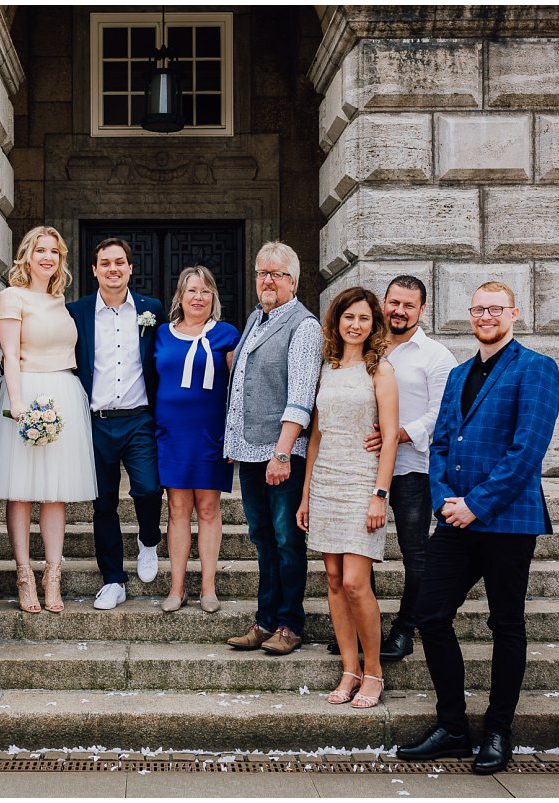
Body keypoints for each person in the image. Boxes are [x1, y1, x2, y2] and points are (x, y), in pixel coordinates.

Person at [396, 281, 559, 775]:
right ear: (470, 315)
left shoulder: (535, 368)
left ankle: (497, 729)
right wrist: (448, 499)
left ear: (513, 313)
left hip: (508, 521)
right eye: (478, 309)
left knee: (506, 625)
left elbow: (527, 450)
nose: (485, 316)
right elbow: (441, 443)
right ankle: (451, 727)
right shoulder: (461, 372)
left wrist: (478, 505)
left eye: (495, 309)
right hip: (455, 518)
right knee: (430, 614)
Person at [298, 287, 399, 708]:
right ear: (336, 321)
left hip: (362, 482)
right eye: (348, 317)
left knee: (357, 583)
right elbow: (315, 436)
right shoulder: (328, 367)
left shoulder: (381, 370)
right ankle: (348, 669)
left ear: (373, 324)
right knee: (335, 582)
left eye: (363, 318)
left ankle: (373, 672)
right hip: (326, 481)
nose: (355, 325)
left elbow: (390, 437)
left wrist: (380, 495)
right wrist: (306, 495)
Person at [0, 226, 98, 614]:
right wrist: (18, 401)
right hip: (25, 392)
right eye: (40, 250)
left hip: (64, 393)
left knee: (55, 493)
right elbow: (9, 354)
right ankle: (24, 574)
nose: (48, 257)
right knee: (21, 491)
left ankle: (53, 574)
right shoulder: (11, 297)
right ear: (26, 255)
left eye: (55, 251)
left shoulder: (59, 301)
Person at [224, 242, 322, 656]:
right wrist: (233, 438)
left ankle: (289, 624)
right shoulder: (255, 318)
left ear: (293, 282)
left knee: (286, 540)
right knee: (262, 537)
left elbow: (300, 397)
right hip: (249, 450)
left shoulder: (304, 326)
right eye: (262, 272)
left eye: (276, 274)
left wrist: (282, 453)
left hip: (281, 453)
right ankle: (264, 621)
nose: (267, 280)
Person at [355, 276, 457, 663]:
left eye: (408, 305)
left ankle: (405, 629)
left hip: (413, 469)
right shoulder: (366, 346)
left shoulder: (435, 355)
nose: (399, 311)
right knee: (360, 550)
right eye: (393, 302)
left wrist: (399, 434)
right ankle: (368, 631)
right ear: (384, 302)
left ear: (422, 310)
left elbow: (442, 412)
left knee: (416, 553)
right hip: (363, 467)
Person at [66, 238, 166, 611]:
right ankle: (112, 579)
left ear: (130, 268)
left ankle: (148, 539)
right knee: (103, 502)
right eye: (105, 263)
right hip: (96, 421)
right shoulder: (76, 312)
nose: (113, 268)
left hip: (139, 418)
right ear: (94, 270)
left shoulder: (151, 310)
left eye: (119, 262)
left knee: (148, 489)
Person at [153, 265, 240, 613]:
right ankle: (176, 589)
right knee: (177, 510)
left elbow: (239, 388)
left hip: (210, 435)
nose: (198, 297)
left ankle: (208, 587)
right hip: (171, 435)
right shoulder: (161, 334)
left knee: (207, 509)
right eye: (192, 290)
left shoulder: (227, 334)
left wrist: (235, 436)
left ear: (213, 297)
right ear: (180, 296)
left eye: (205, 291)